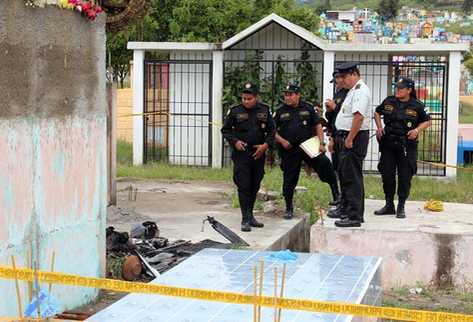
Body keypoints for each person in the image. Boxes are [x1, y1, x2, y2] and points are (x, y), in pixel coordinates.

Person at [274, 83, 339, 219]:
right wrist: (282, 141)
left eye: (290, 94)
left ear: (298, 95)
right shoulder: (280, 111)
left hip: (309, 144)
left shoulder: (308, 108)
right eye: (285, 95)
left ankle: (337, 196)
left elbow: (318, 126)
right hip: (290, 148)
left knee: (325, 165)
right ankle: (288, 207)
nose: (287, 97)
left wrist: (321, 143)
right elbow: (272, 131)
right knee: (289, 178)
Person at [221, 82, 275, 232]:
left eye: (249, 98)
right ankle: (245, 218)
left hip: (258, 154)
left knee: (255, 184)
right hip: (241, 154)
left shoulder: (264, 110)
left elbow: (272, 131)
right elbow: (225, 130)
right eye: (244, 98)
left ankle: (251, 216)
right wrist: (235, 141)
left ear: (256, 97)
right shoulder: (234, 111)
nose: (246, 101)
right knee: (243, 185)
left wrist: (265, 145)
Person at [374, 78, 431, 218]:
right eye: (396, 87)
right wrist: (379, 127)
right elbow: (376, 112)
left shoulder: (418, 105)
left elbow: (428, 121)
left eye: (400, 88)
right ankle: (389, 205)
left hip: (406, 147)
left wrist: (417, 131)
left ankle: (401, 206)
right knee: (387, 175)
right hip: (388, 145)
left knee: (405, 177)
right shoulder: (389, 101)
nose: (397, 90)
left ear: (409, 90)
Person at [333, 62, 372, 228]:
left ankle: (354, 216)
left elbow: (358, 117)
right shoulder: (352, 91)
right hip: (347, 137)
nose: (342, 81)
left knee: (352, 178)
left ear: (354, 74)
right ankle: (347, 211)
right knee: (346, 175)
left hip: (354, 138)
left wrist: (349, 139)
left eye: (344, 77)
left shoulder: (360, 91)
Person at [325, 71, 349, 216]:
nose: (336, 84)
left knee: (345, 172)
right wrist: (329, 110)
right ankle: (341, 199)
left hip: (345, 137)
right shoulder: (338, 95)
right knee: (338, 169)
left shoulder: (348, 95)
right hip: (336, 135)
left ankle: (345, 202)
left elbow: (346, 116)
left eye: (337, 81)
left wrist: (335, 108)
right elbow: (333, 119)